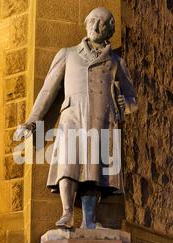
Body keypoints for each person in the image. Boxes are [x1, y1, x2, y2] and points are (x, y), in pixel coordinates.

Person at [14, 7, 137, 229]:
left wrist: (125, 105)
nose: (95, 26)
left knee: (94, 171)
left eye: (101, 22)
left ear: (110, 29)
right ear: (85, 23)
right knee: (68, 164)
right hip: (73, 117)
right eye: (91, 21)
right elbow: (47, 90)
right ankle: (67, 213)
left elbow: (132, 99)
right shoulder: (67, 54)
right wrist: (33, 120)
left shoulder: (116, 62)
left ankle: (89, 221)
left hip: (102, 120)